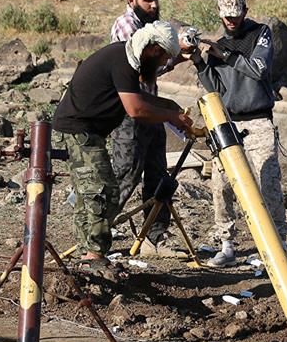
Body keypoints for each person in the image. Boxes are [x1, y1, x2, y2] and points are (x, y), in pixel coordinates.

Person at [52, 21, 193, 266]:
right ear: (152, 49)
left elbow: (137, 97)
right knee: (102, 190)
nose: (162, 64)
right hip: (79, 130)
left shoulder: (127, 56)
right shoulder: (122, 61)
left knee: (93, 191)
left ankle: (88, 253)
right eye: (162, 59)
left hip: (86, 130)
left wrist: (168, 105)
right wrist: (171, 116)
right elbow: (135, 108)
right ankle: (93, 257)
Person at [188, 0, 287, 267]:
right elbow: (215, 89)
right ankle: (227, 244)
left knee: (267, 180)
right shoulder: (218, 46)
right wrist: (200, 61)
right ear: (220, 14)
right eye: (227, 16)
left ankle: (278, 242)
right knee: (221, 185)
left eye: (236, 15)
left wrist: (227, 56)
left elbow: (258, 69)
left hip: (258, 119)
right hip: (229, 123)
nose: (232, 21)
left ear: (245, 11)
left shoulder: (261, 34)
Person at [110, 0, 188, 257]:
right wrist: (176, 56)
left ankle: (155, 237)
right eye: (148, 0)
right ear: (132, 0)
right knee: (125, 176)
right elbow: (143, 70)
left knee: (157, 174)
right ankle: (95, 236)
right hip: (131, 113)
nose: (154, 5)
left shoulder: (150, 25)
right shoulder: (126, 26)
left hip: (151, 109)